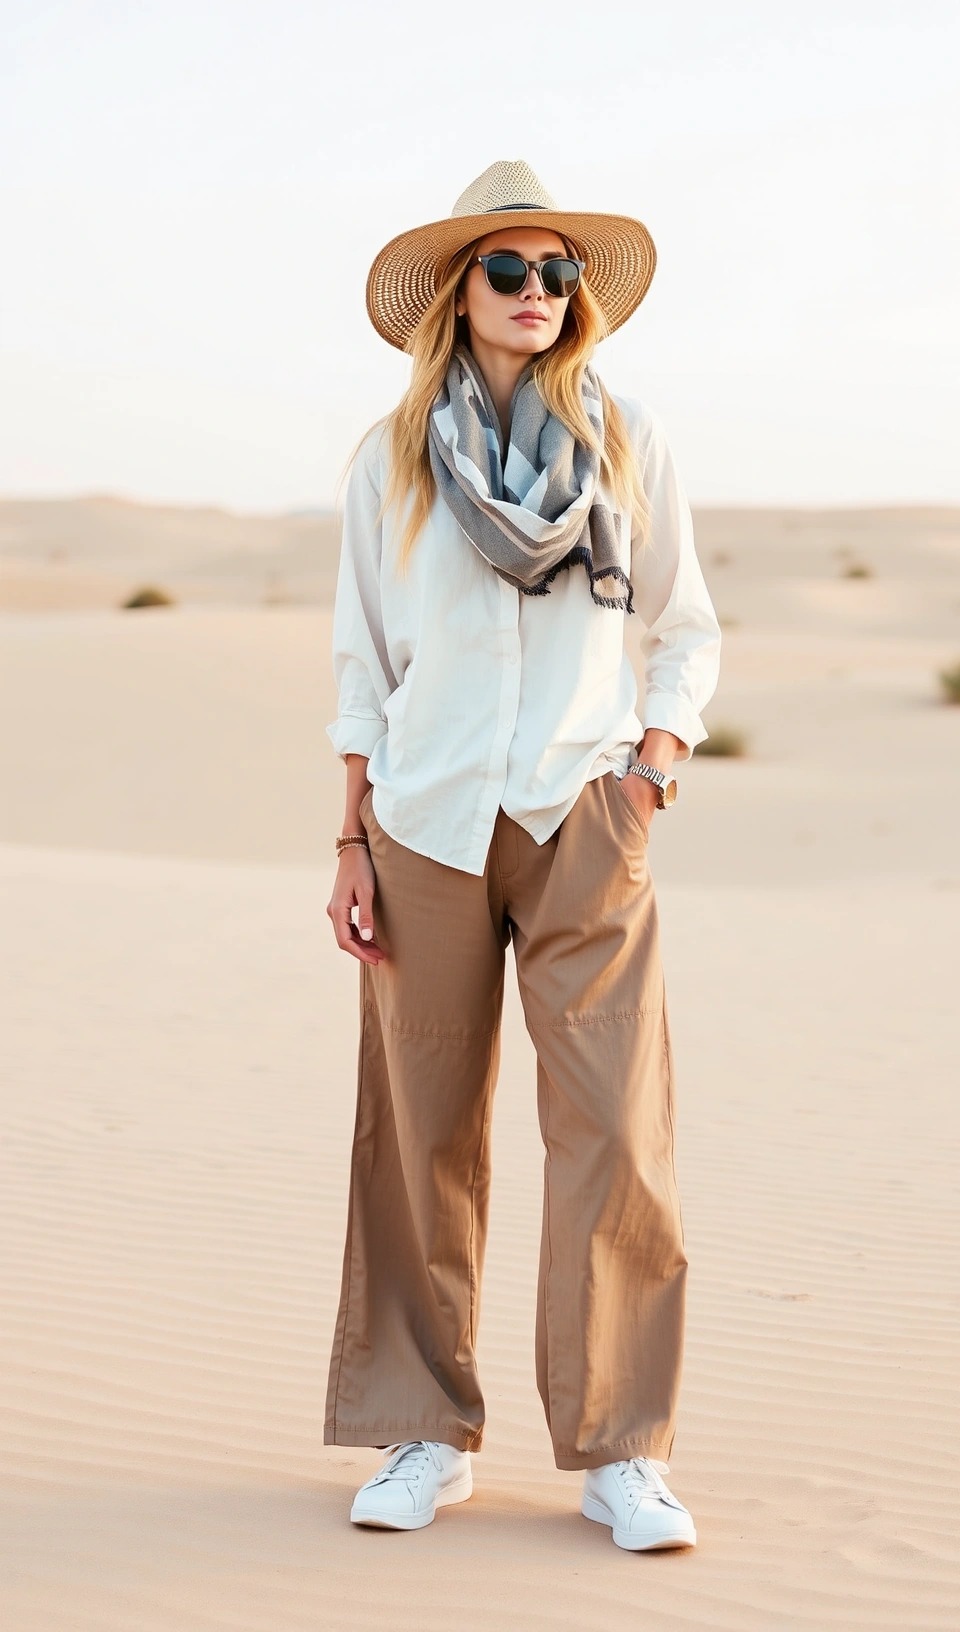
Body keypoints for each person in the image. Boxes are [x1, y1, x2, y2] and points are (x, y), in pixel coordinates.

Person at [322, 159, 721, 1553]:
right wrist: (351, 835)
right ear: (460, 291)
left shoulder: (629, 443)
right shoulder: (386, 460)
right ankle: (422, 1431)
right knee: (420, 1132)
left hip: (581, 814)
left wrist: (652, 769)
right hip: (425, 819)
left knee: (616, 1129)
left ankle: (622, 1450)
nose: (541, 294)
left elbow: (685, 627)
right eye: (512, 270)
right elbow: (363, 661)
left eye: (559, 273)